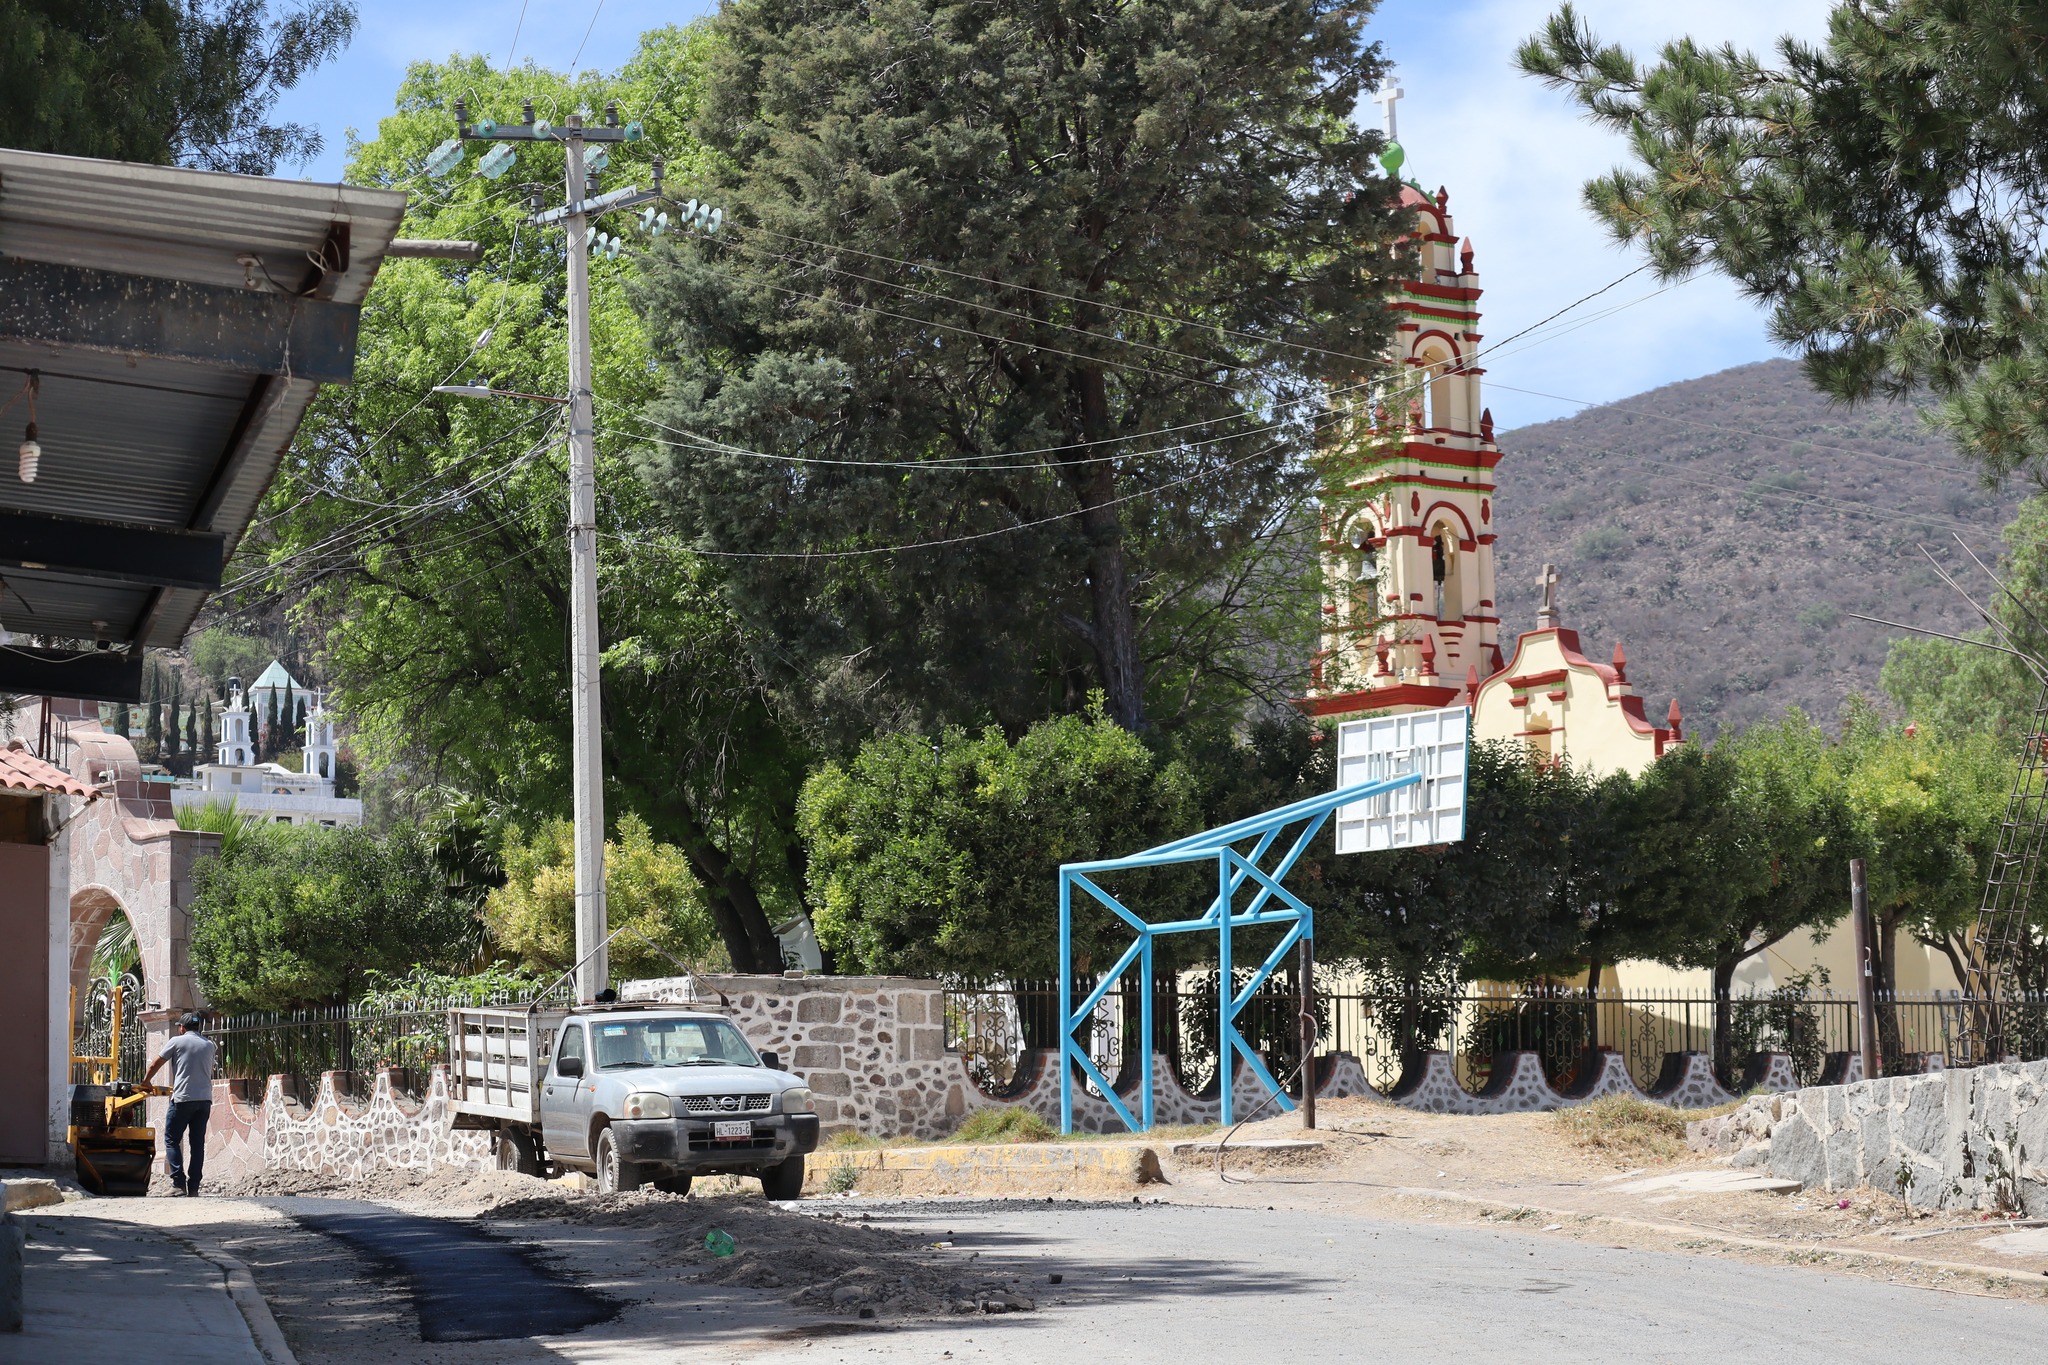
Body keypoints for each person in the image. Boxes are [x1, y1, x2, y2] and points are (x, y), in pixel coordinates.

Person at [143, 1013, 216, 1196]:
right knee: (197, 1143)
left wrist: (146, 1082)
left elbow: (155, 1064)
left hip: (183, 1099)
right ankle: (194, 1187)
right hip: (204, 1100)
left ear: (182, 1028)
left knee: (171, 1139)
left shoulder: (176, 1041)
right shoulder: (209, 1045)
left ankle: (178, 1183)